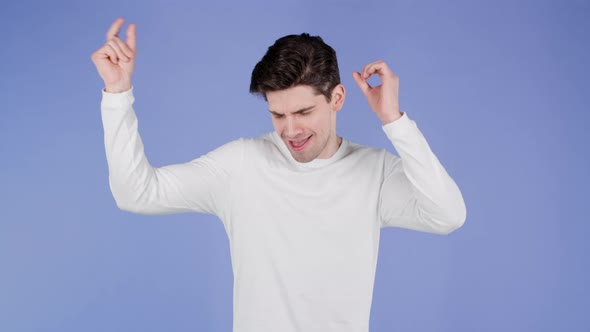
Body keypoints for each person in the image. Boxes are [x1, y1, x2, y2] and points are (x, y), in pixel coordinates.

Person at [91, 17, 466, 332]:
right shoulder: (241, 165)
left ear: (337, 98)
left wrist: (394, 122)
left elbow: (448, 215)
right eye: (278, 115)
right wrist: (117, 94)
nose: (290, 131)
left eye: (303, 113)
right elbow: (135, 193)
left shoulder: (375, 171)